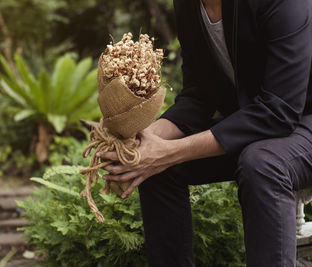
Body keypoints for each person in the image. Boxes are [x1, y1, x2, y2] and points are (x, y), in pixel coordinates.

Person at [97, 0, 312, 266]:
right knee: (153, 165)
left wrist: (170, 153)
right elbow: (199, 96)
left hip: (299, 120)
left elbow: (280, 111)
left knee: (262, 162)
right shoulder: (189, 5)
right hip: (256, 123)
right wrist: (146, 140)